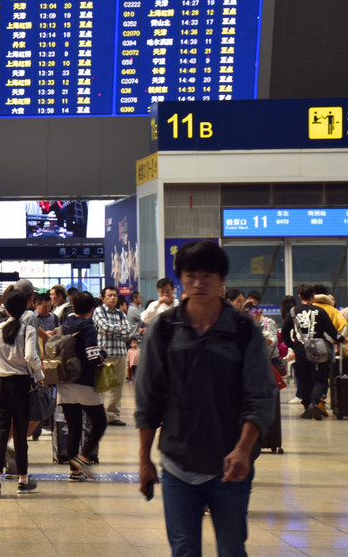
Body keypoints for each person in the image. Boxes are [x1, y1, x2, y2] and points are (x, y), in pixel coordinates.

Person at [136, 239, 277, 557]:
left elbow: (260, 395)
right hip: (177, 464)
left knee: (231, 548)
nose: (198, 283)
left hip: (231, 465)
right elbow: (149, 400)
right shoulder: (165, 328)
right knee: (184, 550)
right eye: (190, 275)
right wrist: (145, 460)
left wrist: (243, 450)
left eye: (207, 276)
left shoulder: (243, 330)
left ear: (221, 280)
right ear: (180, 279)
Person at [0, 290, 43, 496]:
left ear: (5, 309)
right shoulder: (28, 330)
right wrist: (40, 374)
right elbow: (30, 356)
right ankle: (23, 480)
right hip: (20, 385)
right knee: (19, 434)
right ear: (25, 308)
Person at [57, 291, 108, 481]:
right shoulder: (88, 327)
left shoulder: (65, 324)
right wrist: (102, 355)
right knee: (100, 422)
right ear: (91, 309)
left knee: (74, 427)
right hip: (85, 382)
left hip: (65, 381)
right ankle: (84, 457)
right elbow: (92, 357)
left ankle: (74, 472)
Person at [281, 283, 345, 420]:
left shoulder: (293, 312)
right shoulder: (320, 311)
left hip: (301, 349)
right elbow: (331, 331)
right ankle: (315, 402)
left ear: (299, 296)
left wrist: (292, 346)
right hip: (319, 349)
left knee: (304, 379)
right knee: (320, 379)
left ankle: (307, 409)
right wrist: (341, 339)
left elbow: (285, 332)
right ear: (313, 296)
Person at [93, 286, 134, 426]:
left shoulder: (121, 313)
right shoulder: (99, 311)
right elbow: (105, 327)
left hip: (121, 353)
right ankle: (102, 416)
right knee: (104, 386)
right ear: (103, 298)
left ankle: (113, 416)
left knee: (118, 387)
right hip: (106, 354)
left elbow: (129, 332)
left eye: (115, 295)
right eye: (109, 295)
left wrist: (116, 329)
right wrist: (120, 328)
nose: (112, 298)